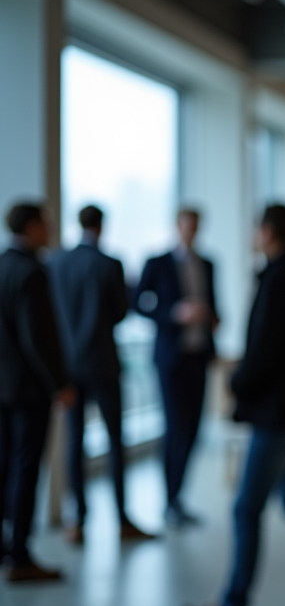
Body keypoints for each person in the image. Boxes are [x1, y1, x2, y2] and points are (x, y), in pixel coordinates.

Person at [186, 205, 285, 606]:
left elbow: (265, 349)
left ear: (266, 231)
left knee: (246, 508)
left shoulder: (278, 276)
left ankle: (233, 604)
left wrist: (237, 383)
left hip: (276, 414)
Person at [47, 205, 154, 544]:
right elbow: (121, 312)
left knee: (74, 442)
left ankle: (77, 519)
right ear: (101, 226)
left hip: (68, 365)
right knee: (114, 441)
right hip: (103, 364)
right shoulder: (110, 263)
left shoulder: (55, 263)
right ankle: (122, 519)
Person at [0, 203, 73, 581]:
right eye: (45, 224)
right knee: (27, 468)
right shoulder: (32, 271)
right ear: (31, 227)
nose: (50, 229)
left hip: (3, 387)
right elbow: (37, 339)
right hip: (28, 390)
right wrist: (59, 384)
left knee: (4, 464)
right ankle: (20, 555)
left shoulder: (2, 264)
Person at [132, 208, 219, 526]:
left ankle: (178, 498)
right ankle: (169, 500)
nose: (191, 231)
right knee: (174, 427)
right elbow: (137, 302)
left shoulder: (208, 264)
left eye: (196, 226)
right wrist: (173, 313)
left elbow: (214, 303)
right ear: (177, 227)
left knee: (193, 429)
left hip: (199, 356)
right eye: (187, 226)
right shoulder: (158, 263)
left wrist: (212, 318)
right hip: (170, 358)